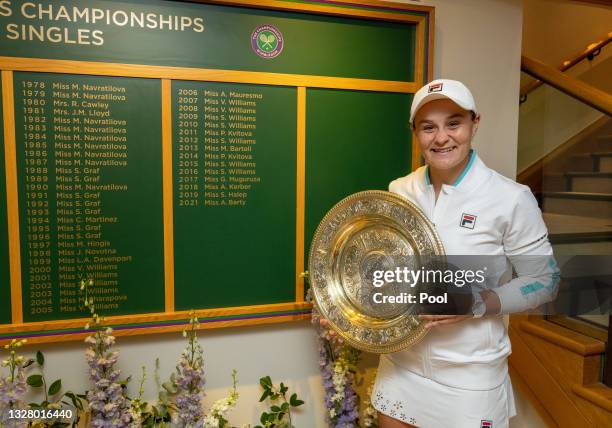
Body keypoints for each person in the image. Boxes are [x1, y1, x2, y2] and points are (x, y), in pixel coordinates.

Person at [368, 79, 560, 427]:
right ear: (415, 133)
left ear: (475, 123)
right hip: (401, 365)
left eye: (453, 123)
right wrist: (355, 305)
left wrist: (477, 302)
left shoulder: (510, 197)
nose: (441, 138)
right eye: (429, 128)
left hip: (470, 376)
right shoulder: (400, 190)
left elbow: (545, 281)